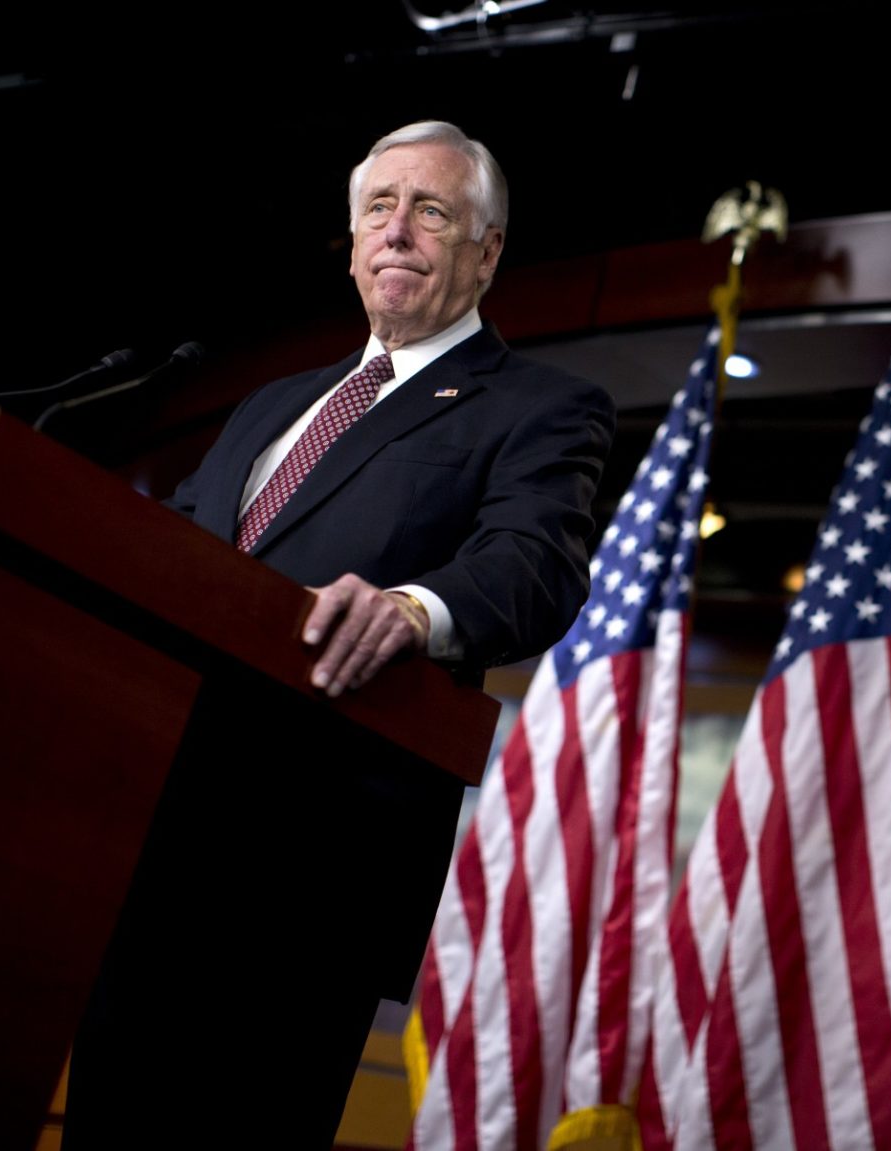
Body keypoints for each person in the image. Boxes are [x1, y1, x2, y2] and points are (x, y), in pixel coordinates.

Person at [61, 119, 616, 1149]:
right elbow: (174, 557)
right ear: (353, 237)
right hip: (147, 837)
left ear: (484, 251)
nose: (397, 231)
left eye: (431, 211)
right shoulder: (270, 403)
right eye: (377, 208)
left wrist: (417, 608)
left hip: (305, 873)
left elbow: (532, 563)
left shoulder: (540, 408)